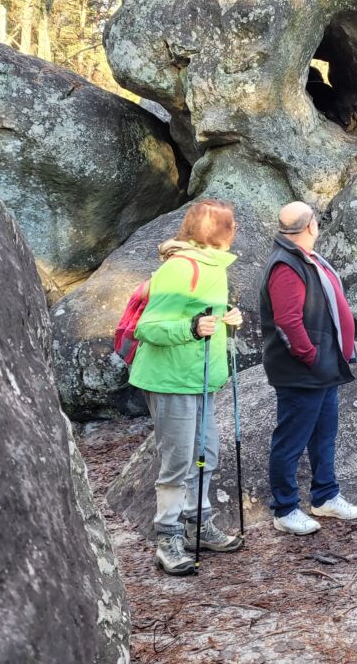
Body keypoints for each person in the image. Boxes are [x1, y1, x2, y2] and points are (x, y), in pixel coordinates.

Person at [128, 199, 245, 576]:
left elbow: (202, 316)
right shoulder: (180, 269)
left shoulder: (215, 266)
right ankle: (167, 536)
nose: (236, 229)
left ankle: (199, 522)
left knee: (205, 453)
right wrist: (191, 329)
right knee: (178, 460)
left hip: (200, 379)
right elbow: (147, 327)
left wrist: (228, 320)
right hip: (171, 380)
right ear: (218, 231)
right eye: (231, 224)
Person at [259, 201, 357, 535]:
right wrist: (311, 357)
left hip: (323, 369)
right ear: (311, 226)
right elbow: (288, 322)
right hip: (303, 373)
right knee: (291, 440)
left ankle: (325, 496)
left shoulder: (305, 258)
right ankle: (285, 509)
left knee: (323, 435)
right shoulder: (285, 265)